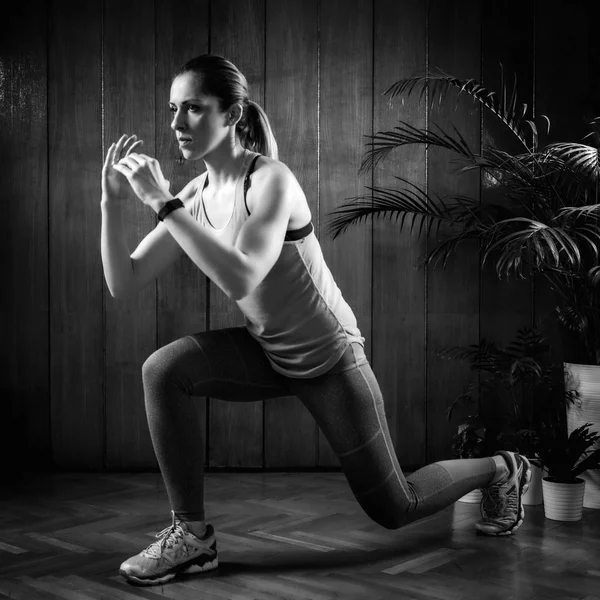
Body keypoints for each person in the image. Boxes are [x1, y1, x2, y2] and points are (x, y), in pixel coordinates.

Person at [101, 54, 532, 587]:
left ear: (233, 114)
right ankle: (191, 538)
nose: (176, 123)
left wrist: (163, 204)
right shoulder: (194, 195)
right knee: (163, 370)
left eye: (193, 108)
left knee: (395, 505)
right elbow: (124, 281)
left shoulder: (270, 181)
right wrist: (111, 204)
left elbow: (242, 278)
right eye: (173, 109)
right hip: (267, 352)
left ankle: (503, 467)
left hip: (329, 357)